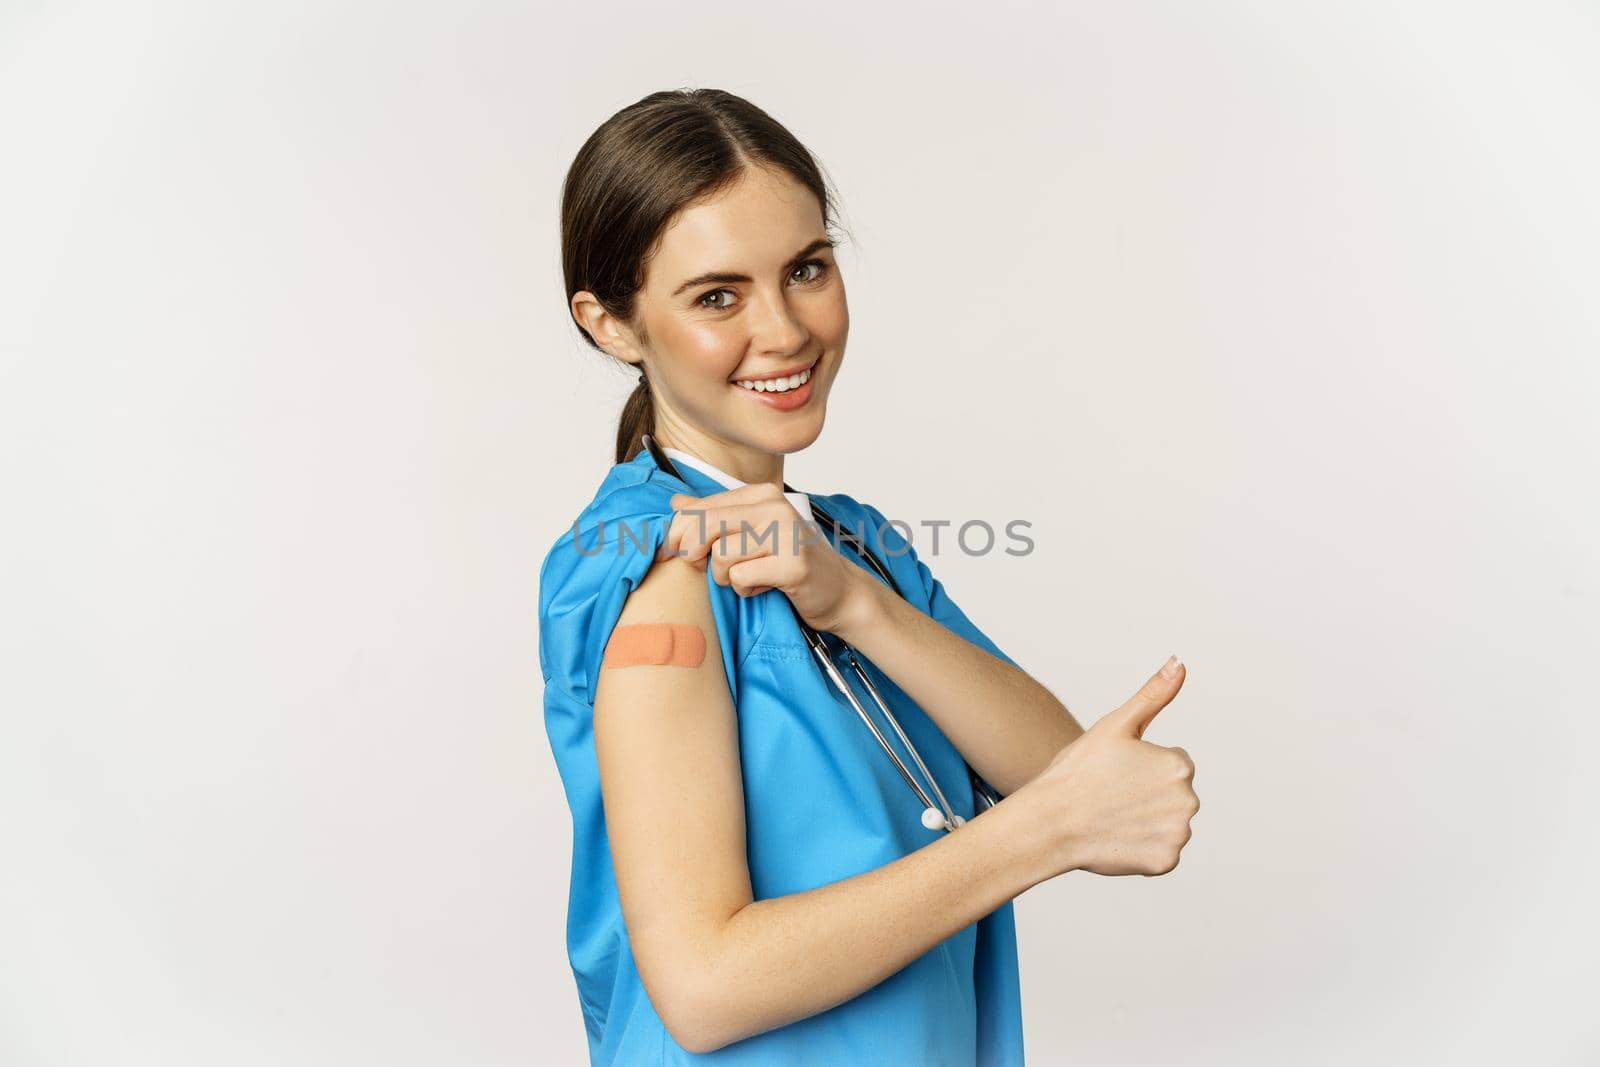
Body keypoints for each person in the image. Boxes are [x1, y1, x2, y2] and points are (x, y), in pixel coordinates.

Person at [538, 88, 1201, 1065]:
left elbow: (1064, 770)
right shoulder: (661, 580)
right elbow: (702, 984)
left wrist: (857, 604)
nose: (785, 329)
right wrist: (1038, 834)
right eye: (717, 294)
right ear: (612, 325)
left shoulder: (852, 548)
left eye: (805, 269)